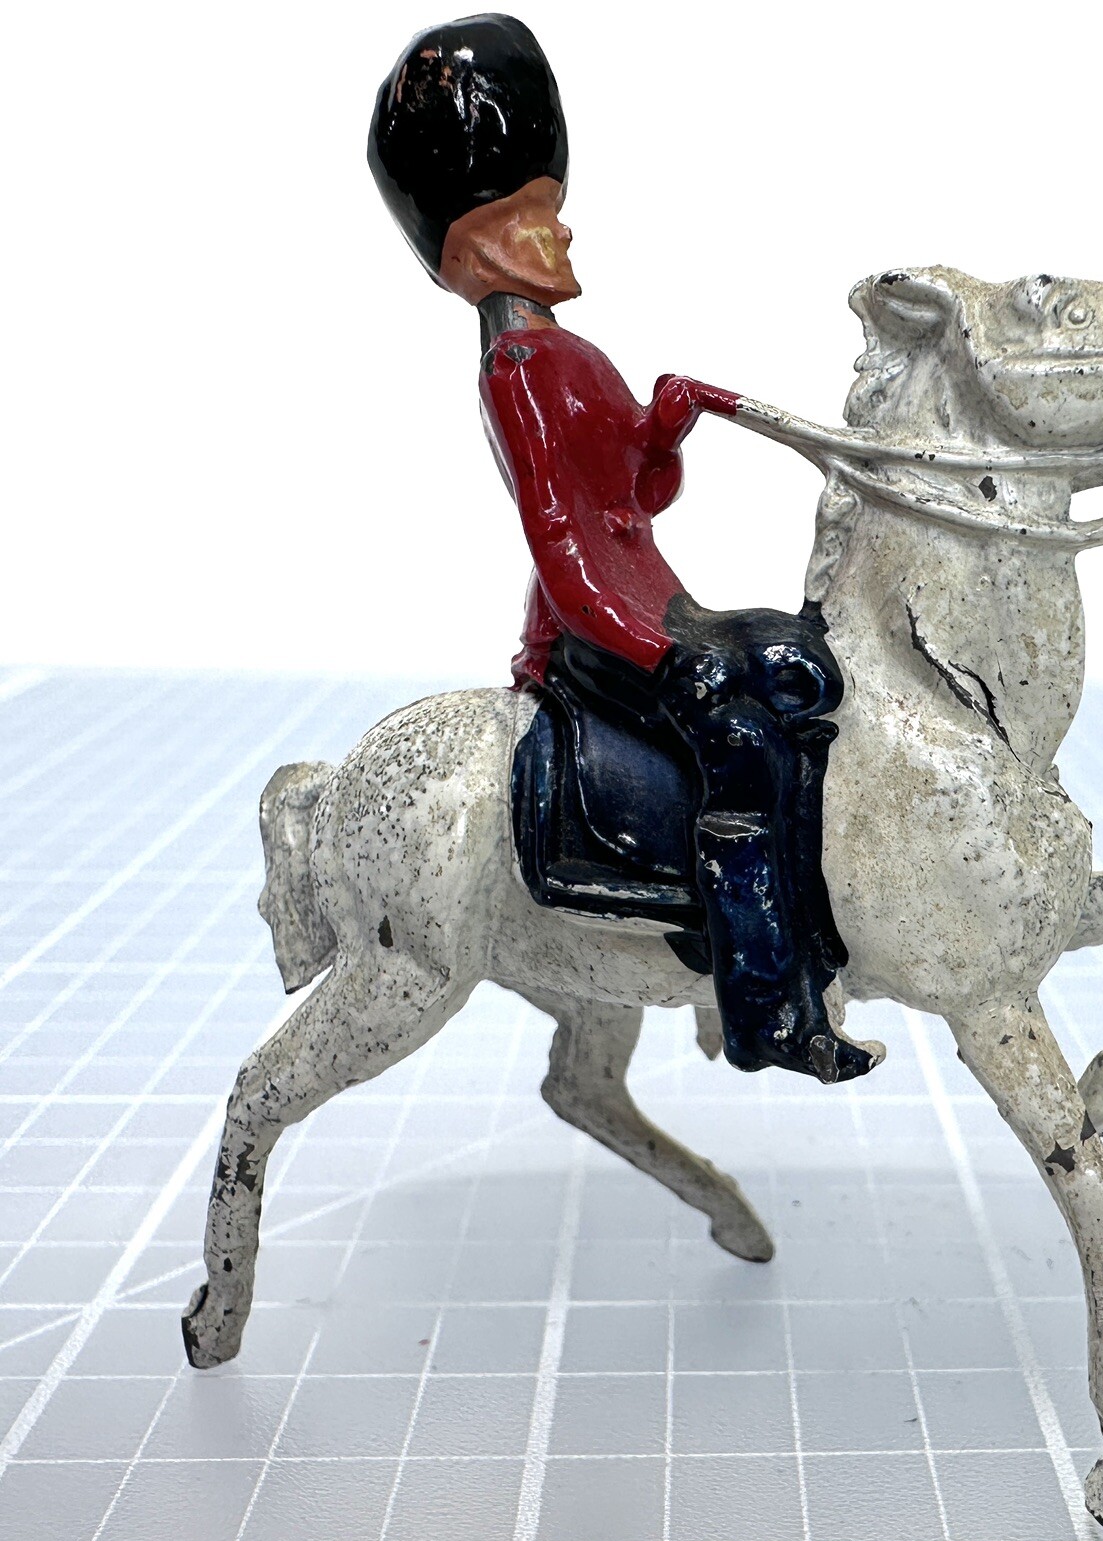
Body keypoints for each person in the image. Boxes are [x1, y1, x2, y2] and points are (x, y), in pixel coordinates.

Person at [368, 14, 877, 1084]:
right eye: (539, 217)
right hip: (600, 627)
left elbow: (636, 498)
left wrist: (663, 428)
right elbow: (564, 549)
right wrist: (659, 654)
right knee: (743, 745)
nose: (564, 234)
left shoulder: (573, 353)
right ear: (482, 245)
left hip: (656, 596)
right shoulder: (516, 371)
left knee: (804, 671)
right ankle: (761, 1007)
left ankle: (818, 933)